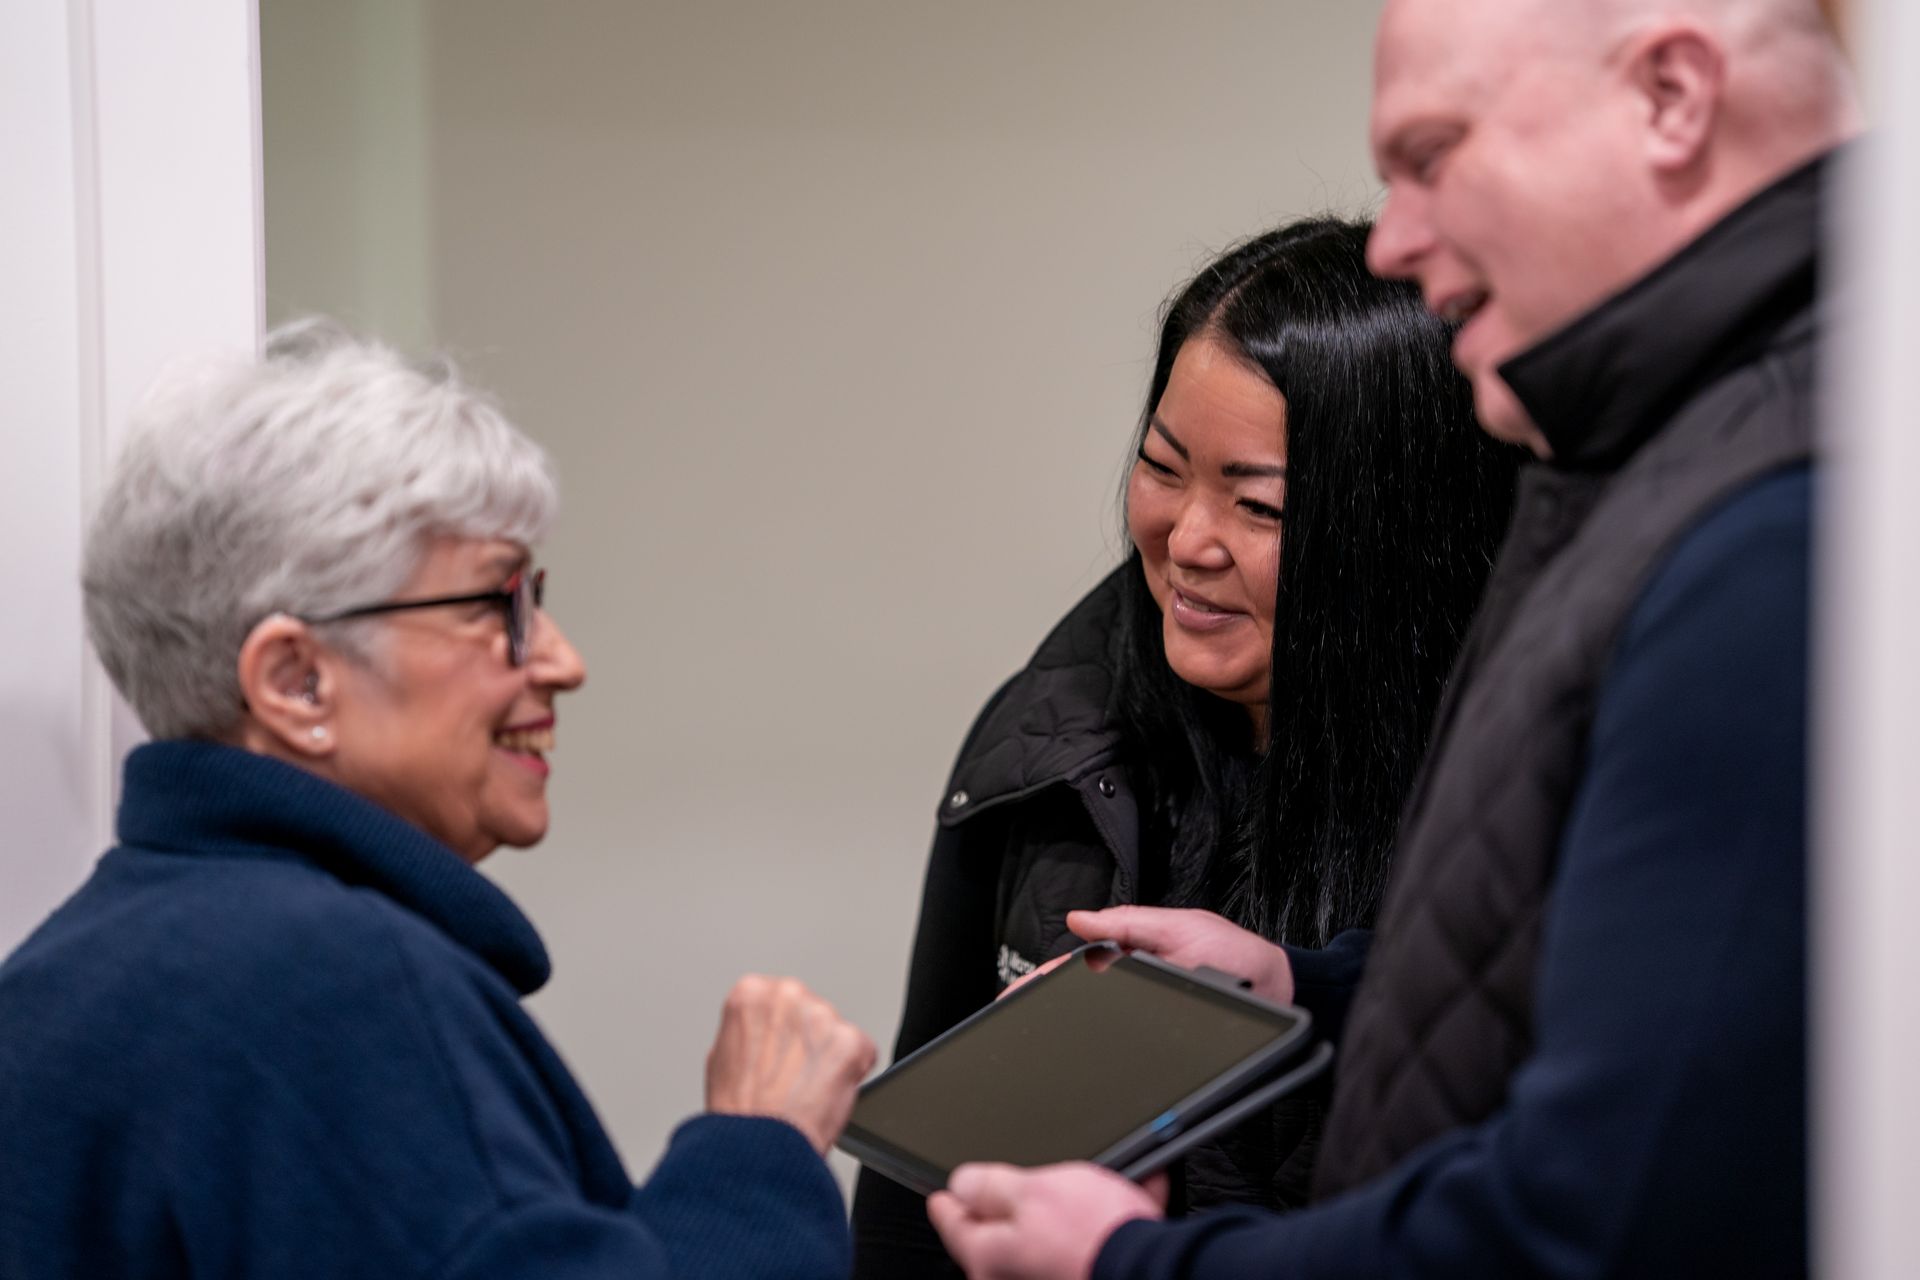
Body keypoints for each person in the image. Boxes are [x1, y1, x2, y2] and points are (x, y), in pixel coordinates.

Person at [925, 0, 1861, 1276]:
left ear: (1674, 95)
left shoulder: (1770, 522)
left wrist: (1128, 1265)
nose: (1403, 242)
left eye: (1434, 157)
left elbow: (1599, 1217)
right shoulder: (1651, 461)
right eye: (1162, 467)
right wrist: (1303, 989)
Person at [0, 320, 876, 1279]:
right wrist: (759, 1150)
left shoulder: (63, 978)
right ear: (297, 682)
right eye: (494, 607)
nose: (563, 661)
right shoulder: (327, 983)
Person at [851, 219, 1517, 1275]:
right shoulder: (1046, 742)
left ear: (1391, 528)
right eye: (1163, 466)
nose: (1188, 539)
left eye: (1259, 505)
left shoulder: (1501, 798)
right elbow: (921, 1179)